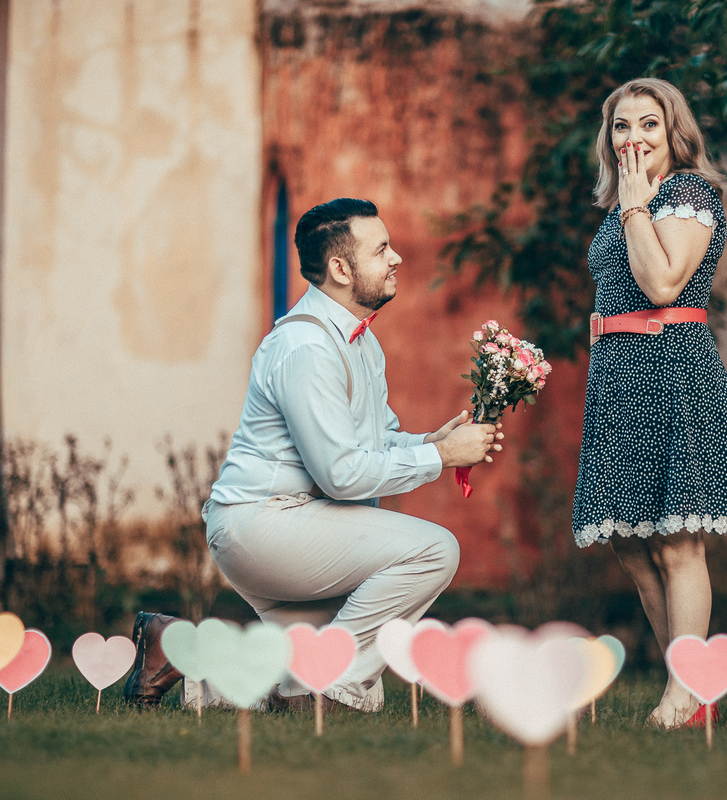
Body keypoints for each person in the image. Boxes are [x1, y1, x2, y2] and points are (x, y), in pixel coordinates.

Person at [124, 198, 501, 711]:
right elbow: (342, 474)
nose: (397, 259)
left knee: (338, 680)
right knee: (435, 550)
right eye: (382, 249)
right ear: (341, 269)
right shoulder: (308, 348)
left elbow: (372, 443)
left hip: (297, 525)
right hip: (263, 524)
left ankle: (179, 654)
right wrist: (438, 459)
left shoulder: (361, 344)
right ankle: (318, 688)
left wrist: (436, 445)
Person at [572, 78, 727, 728]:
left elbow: (662, 281)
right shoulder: (627, 202)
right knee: (628, 539)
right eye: (621, 126)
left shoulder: (687, 194)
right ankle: (693, 686)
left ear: (675, 133)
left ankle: (684, 695)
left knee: (677, 541)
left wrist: (637, 210)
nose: (633, 138)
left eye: (649, 124)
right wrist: (629, 207)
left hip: (674, 369)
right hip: (619, 376)